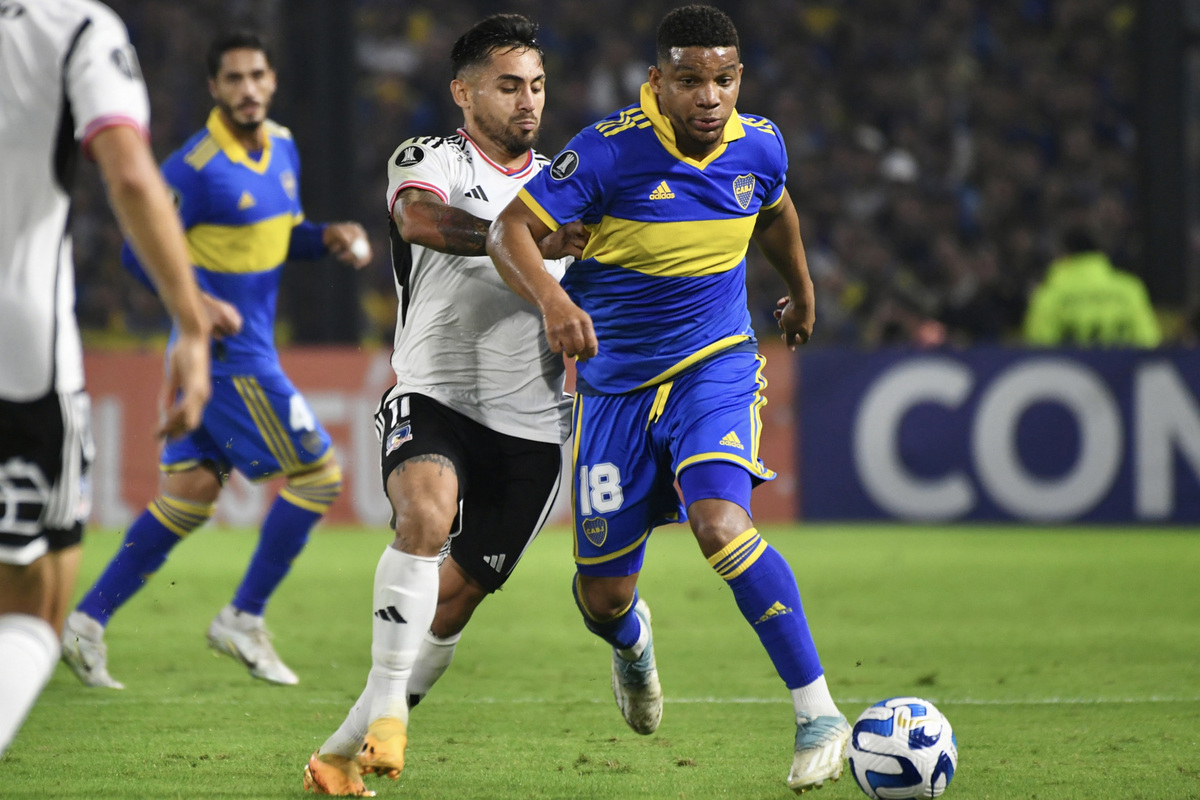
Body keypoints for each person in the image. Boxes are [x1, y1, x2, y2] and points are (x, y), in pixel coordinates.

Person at [488, 5, 851, 793]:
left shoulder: (760, 144)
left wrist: (802, 292)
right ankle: (631, 643)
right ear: (658, 81)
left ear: (739, 79)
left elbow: (777, 210)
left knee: (720, 523)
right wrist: (555, 304)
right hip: (614, 389)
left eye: (723, 79)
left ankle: (819, 711)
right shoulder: (608, 154)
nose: (709, 97)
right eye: (690, 80)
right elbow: (507, 232)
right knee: (601, 596)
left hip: (713, 365)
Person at [302, 14, 586, 796]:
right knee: (422, 519)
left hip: (531, 421)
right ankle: (391, 714)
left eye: (534, 85)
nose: (527, 101)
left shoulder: (565, 180)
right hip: (433, 388)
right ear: (463, 92)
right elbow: (416, 218)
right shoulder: (430, 157)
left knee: (452, 606)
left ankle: (335, 755)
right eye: (507, 85)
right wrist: (525, 240)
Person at [60, 30, 373, 691]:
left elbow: (281, 236)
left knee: (194, 495)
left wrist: (329, 238)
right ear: (213, 88)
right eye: (233, 79)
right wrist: (198, 302)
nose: (248, 89)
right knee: (320, 477)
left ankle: (86, 623)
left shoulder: (282, 146)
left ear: (272, 80)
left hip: (236, 347)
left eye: (257, 75)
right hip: (229, 357)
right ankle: (243, 616)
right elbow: (133, 253)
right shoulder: (193, 168)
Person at [0, 0, 212, 756]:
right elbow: (126, 171)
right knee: (33, 603)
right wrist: (189, 320)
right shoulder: (74, 28)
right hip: (18, 356)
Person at [1023, 227, 1161, 347]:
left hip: (1070, 373)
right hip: (1120, 373)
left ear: (1063, 254)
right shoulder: (1130, 288)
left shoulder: (1051, 293)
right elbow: (1148, 341)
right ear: (1099, 252)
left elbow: (1038, 347)